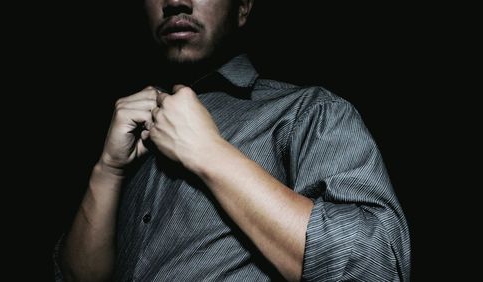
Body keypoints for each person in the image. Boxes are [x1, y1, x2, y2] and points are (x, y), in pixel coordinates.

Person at [55, 0, 410, 281]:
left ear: (241, 8)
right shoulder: (131, 133)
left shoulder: (308, 112)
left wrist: (209, 153)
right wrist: (109, 169)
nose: (176, 2)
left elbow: (375, 265)